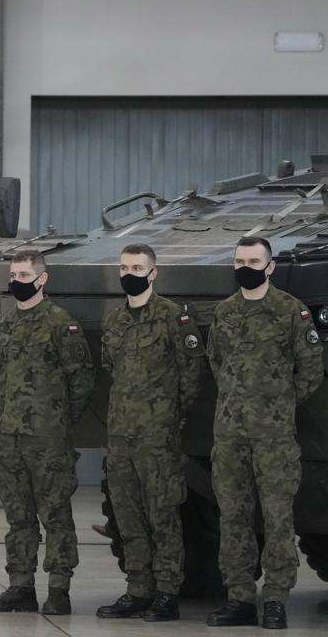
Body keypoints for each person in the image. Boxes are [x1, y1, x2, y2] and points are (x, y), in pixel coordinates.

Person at [205, 236, 323, 629]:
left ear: (270, 267)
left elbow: (310, 369)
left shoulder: (290, 311)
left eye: (254, 262)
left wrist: (279, 404)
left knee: (277, 519)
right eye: (240, 261)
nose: (246, 268)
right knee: (233, 517)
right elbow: (216, 362)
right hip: (230, 435)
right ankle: (239, 598)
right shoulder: (224, 312)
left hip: (274, 437)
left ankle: (275, 598)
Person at [0, 249, 94, 616]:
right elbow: (3, 374)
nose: (17, 282)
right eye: (13, 276)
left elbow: (82, 381)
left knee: (56, 515)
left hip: (47, 440)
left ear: (42, 279)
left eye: (24, 276)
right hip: (9, 438)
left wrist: (57, 423)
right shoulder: (7, 325)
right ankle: (20, 587)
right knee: (18, 517)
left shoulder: (61, 323)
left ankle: (59, 589)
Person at [95, 244, 205, 622]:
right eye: (124, 268)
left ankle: (167, 593)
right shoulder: (114, 321)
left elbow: (191, 376)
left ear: (153, 273)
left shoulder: (173, 318)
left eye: (137, 268)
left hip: (158, 437)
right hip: (121, 436)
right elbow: (112, 368)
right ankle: (138, 589)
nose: (130, 274)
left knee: (163, 515)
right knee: (128, 516)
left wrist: (168, 417)